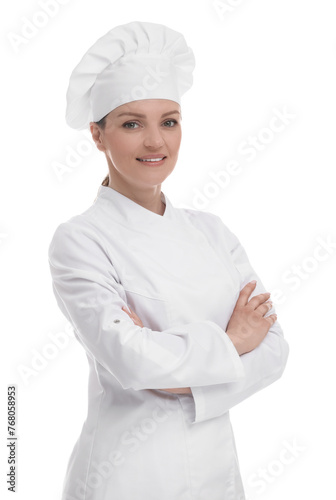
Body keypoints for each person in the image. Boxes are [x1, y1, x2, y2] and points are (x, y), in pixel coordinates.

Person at [48, 21, 289, 500]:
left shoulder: (212, 231)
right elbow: (132, 362)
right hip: (124, 477)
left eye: (169, 121)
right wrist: (235, 339)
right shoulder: (79, 240)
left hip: (217, 476)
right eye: (131, 123)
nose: (156, 142)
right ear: (98, 135)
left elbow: (276, 349)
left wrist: (175, 373)